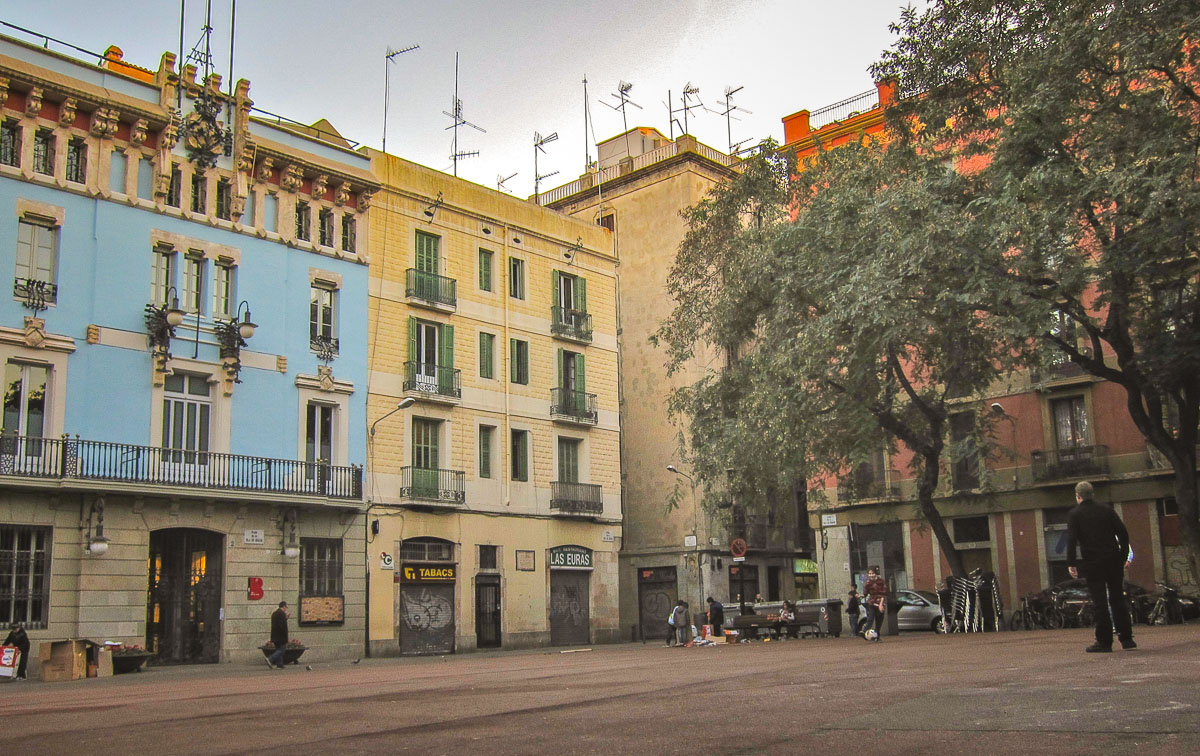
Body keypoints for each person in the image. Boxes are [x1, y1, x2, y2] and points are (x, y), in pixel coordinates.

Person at [1067, 481, 1136, 653]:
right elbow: (1123, 532)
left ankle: (1104, 641)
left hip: (1093, 562)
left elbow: (1072, 540)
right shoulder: (1107, 510)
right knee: (1117, 599)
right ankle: (1127, 639)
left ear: (1078, 496)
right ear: (1093, 494)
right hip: (1113, 559)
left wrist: (1071, 563)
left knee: (1100, 602)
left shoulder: (1075, 514)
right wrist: (1122, 556)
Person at [862, 566, 887, 642]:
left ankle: (877, 636)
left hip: (880, 602)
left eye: (872, 573)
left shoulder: (881, 582)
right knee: (870, 618)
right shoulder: (868, 583)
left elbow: (883, 594)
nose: (871, 575)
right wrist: (861, 596)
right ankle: (865, 631)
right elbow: (865, 593)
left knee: (879, 620)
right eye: (869, 573)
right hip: (871, 603)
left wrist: (880, 605)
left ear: (876, 574)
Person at [266, 601, 290, 668]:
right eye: (286, 607)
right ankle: (270, 659)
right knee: (282, 650)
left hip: (274, 635)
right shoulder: (281, 614)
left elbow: (278, 623)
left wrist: (285, 618)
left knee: (278, 649)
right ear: (284, 606)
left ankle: (280, 664)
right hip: (281, 636)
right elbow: (282, 626)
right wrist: (286, 618)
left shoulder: (274, 613)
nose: (286, 609)